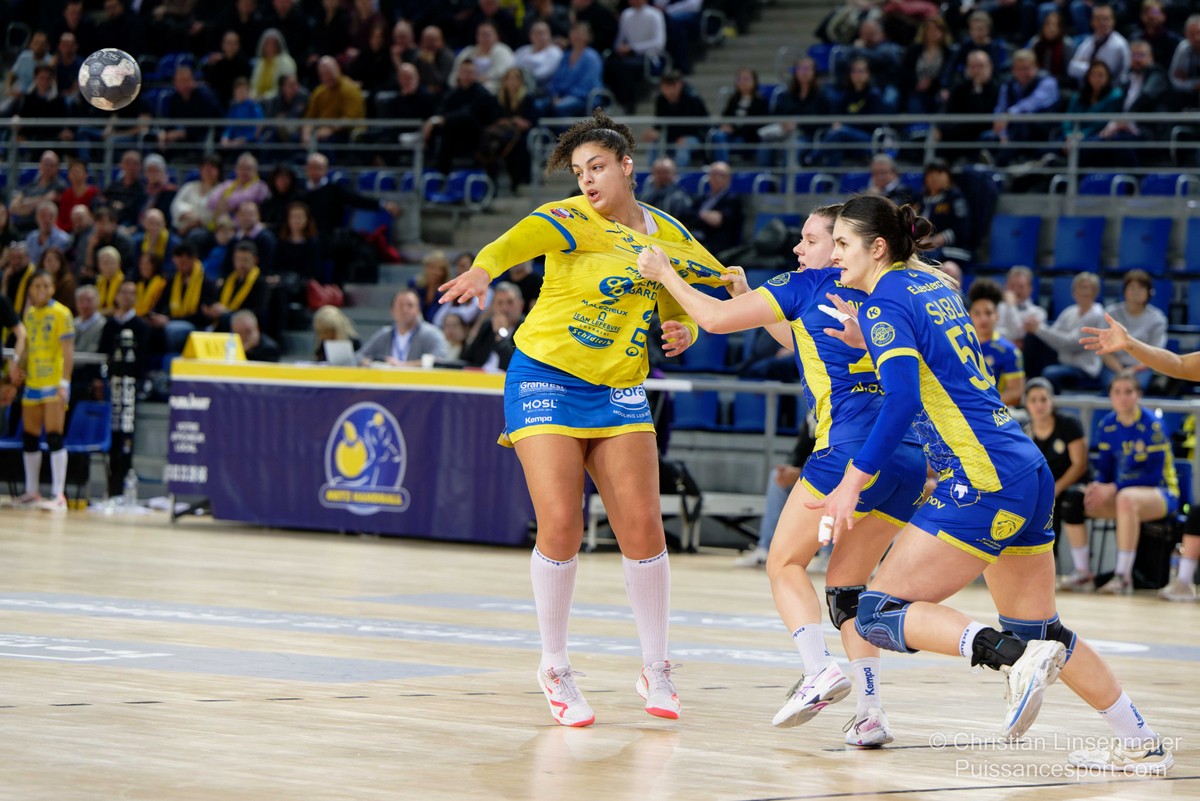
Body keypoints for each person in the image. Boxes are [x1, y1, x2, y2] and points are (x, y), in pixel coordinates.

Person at [806, 194, 1173, 774]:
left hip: (982, 477)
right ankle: (1139, 739)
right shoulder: (934, 285)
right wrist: (868, 344)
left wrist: (852, 482)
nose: (835, 256)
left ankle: (1012, 657)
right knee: (1042, 627)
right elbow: (941, 367)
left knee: (875, 611)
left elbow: (900, 402)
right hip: (1024, 466)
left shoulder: (883, 303)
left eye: (843, 244)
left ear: (876, 248)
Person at [437, 109, 729, 727]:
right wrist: (483, 269)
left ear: (627, 166)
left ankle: (657, 666)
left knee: (643, 527)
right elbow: (510, 244)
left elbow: (692, 296)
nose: (588, 180)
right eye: (578, 171)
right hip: (545, 375)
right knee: (563, 522)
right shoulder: (568, 217)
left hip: (619, 386)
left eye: (597, 167)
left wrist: (684, 330)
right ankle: (554, 666)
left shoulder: (670, 234)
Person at [638, 204, 929, 745]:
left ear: (841, 245)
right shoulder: (888, 292)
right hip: (907, 457)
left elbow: (713, 321)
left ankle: (818, 669)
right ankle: (870, 711)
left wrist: (665, 274)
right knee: (849, 590)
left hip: (847, 450)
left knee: (784, 562)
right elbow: (801, 340)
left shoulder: (804, 285)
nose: (799, 247)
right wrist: (747, 296)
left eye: (812, 239)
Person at [1081, 372, 1180, 595]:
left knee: (1126, 499)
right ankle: (1083, 573)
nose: (1123, 397)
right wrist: (1097, 486)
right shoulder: (1107, 425)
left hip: (1163, 493)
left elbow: (1153, 476)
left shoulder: (1152, 425)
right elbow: (1105, 471)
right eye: (1117, 392)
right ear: (1110, 396)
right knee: (1079, 500)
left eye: (1128, 392)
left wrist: (1114, 487)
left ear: (1138, 395)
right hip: (1124, 493)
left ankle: (1123, 577)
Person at [1022, 378, 1091, 590]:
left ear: (1052, 401)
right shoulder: (1024, 431)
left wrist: (1056, 488)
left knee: (1069, 502)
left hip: (1073, 485)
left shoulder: (1068, 424)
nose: (1039, 405)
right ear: (1026, 404)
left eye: (1043, 399)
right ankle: (1035, 574)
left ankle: (1083, 572)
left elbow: (1080, 465)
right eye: (1033, 400)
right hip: (1045, 490)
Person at [14, 271, 74, 512]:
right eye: (37, 285)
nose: (41, 289)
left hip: (53, 382)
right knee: (29, 437)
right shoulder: (29, 314)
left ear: (53, 288)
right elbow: (28, 348)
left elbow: (68, 351)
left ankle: (59, 495)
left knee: (54, 436)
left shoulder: (62, 313)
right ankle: (32, 491)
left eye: (46, 285)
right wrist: (17, 367)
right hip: (33, 383)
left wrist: (65, 382)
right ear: (30, 289)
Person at [1026, 272, 1106, 392]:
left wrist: (1039, 329)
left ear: (1095, 292)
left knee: (1050, 372)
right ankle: (1026, 380)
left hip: (1084, 369)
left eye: (1087, 288)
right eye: (1081, 288)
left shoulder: (1096, 315)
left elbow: (1071, 344)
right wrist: (1037, 329)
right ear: (1074, 292)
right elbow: (1053, 333)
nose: (1084, 292)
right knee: (1034, 337)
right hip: (1064, 360)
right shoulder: (1070, 311)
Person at [1098, 269, 1167, 390]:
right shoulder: (1110, 314)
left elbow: (1156, 353)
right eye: (1132, 287)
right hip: (1114, 366)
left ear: (1149, 292)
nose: (1136, 292)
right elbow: (1104, 350)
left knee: (1135, 387)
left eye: (1141, 287)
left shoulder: (1158, 318)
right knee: (1112, 385)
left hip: (1143, 367)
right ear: (1124, 291)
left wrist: (1133, 370)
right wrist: (1120, 370)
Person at [967, 278, 1025, 406]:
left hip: (994, 413)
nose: (983, 318)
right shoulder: (959, 345)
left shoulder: (1009, 351)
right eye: (977, 313)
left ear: (997, 315)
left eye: (988, 313)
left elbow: (1016, 393)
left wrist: (983, 406)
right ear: (969, 315)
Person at [357, 288, 449, 366]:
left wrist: (402, 366)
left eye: (410, 305)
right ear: (392, 310)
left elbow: (439, 360)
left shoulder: (432, 334)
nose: (405, 310)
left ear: (418, 310)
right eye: (400, 305)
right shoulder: (385, 334)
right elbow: (359, 356)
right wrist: (371, 363)